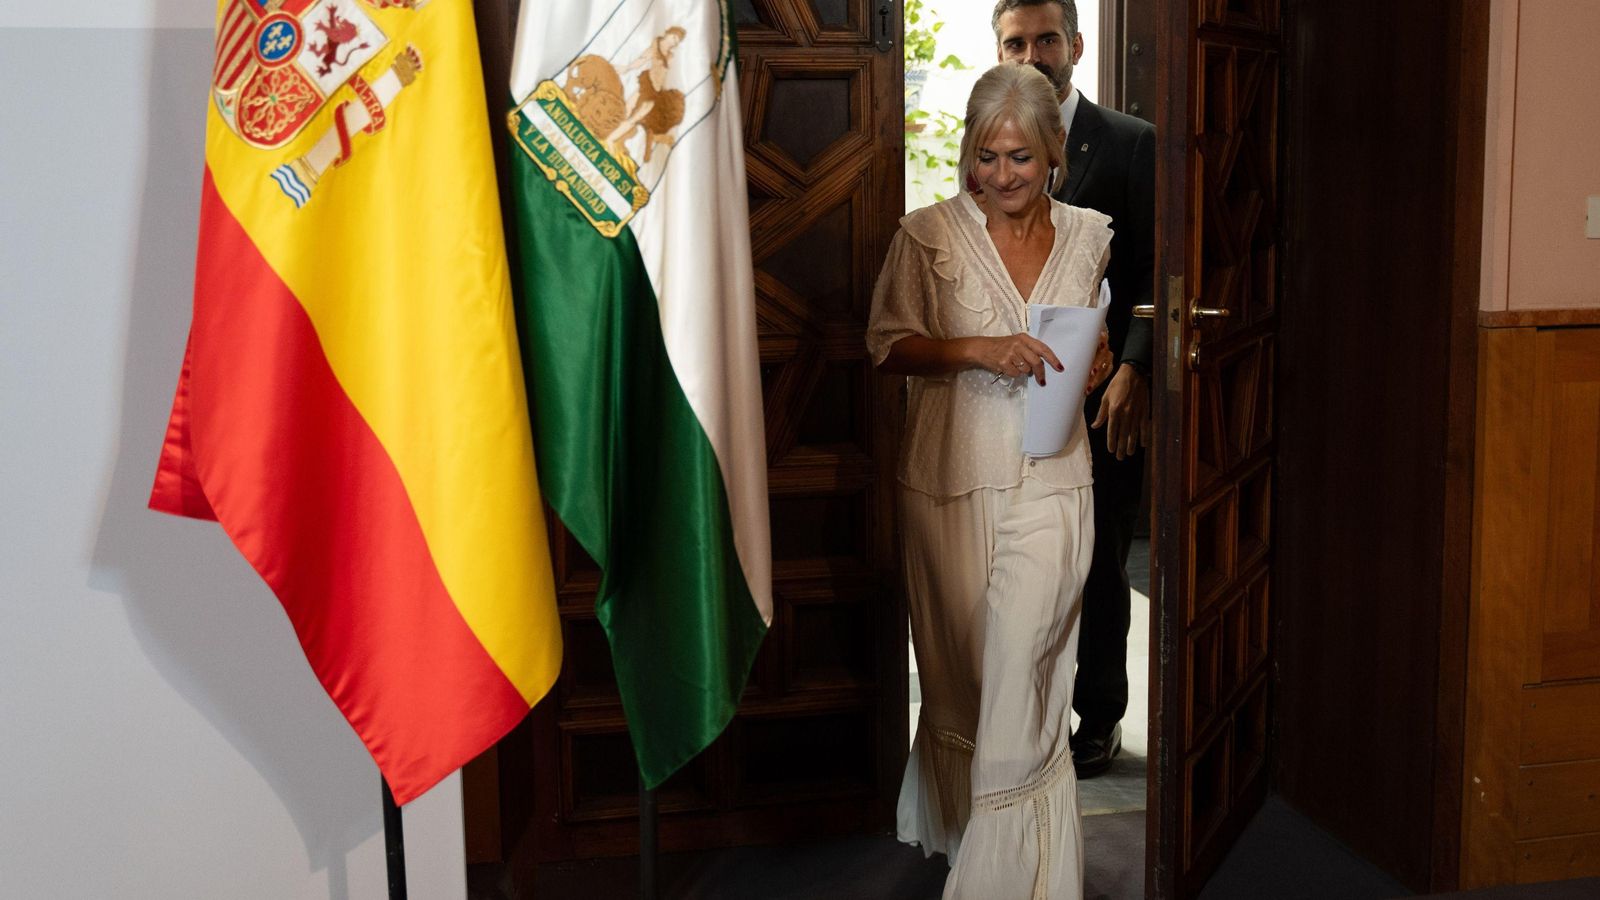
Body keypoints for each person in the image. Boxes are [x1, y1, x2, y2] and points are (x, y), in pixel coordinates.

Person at [868, 62, 1114, 898]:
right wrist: (979, 349)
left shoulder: (1089, 235)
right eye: (985, 156)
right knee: (966, 682)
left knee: (1022, 674)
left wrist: (1098, 362)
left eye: (1019, 158)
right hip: (946, 479)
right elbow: (886, 343)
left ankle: (1007, 885)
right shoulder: (927, 234)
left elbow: (1094, 336)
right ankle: (983, 847)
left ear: (1053, 153)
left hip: (1054, 480)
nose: (1000, 176)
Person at [994, 0, 1156, 779]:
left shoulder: (1130, 144)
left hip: (1103, 397)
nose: (1033, 54)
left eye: (1046, 38)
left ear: (1076, 46)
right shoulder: (989, 145)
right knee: (1024, 557)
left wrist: (1137, 366)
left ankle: (1098, 719)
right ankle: (1025, 712)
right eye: (1016, 41)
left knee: (1096, 559)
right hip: (1008, 394)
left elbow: (1158, 271)